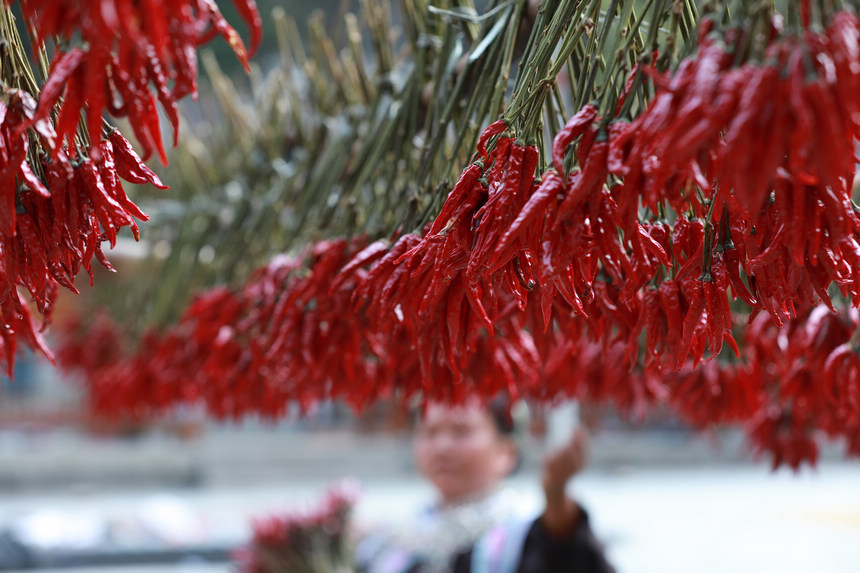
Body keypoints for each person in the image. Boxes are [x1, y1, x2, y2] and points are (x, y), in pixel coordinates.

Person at [356, 399, 615, 573]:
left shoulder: (524, 534)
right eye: (430, 431)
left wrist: (557, 495)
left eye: (461, 431)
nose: (442, 447)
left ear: (507, 452)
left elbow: (568, 555)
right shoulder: (394, 536)